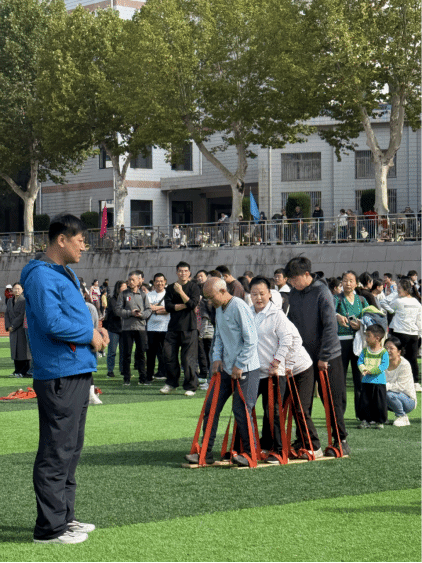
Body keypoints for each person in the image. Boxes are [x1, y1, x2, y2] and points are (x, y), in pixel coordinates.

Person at [20, 213, 109, 545]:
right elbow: (52, 323)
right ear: (61, 239)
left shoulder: (64, 272)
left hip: (75, 369)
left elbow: (73, 317)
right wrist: (90, 335)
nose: (84, 246)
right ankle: (49, 529)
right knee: (56, 450)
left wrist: (96, 332)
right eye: (81, 240)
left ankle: (64, 517)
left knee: (70, 449)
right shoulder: (41, 275)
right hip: (59, 372)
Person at [184, 277, 261, 467]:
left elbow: (251, 340)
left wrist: (240, 364)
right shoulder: (219, 308)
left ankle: (250, 454)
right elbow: (218, 336)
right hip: (226, 368)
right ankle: (206, 451)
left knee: (241, 410)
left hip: (246, 369)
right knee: (211, 407)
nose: (210, 302)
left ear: (223, 291)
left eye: (211, 297)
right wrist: (216, 358)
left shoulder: (239, 307)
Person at [285, 256, 350, 456]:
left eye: (294, 279)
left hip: (327, 356)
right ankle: (303, 439)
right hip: (303, 357)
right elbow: (291, 323)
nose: (292, 283)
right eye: (290, 280)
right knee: (301, 401)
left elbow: (330, 326)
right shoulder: (294, 293)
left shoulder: (322, 292)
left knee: (331, 399)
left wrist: (325, 356)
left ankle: (341, 441)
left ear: (307, 274)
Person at [249, 277, 319, 462]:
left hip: (299, 368)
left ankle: (313, 445)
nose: (258, 298)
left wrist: (284, 363)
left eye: (262, 293)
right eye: (254, 294)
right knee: (271, 408)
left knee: (299, 409)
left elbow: (294, 341)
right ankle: (268, 444)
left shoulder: (278, 315)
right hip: (277, 369)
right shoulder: (249, 314)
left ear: (270, 294)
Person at [160, 262, 201, 396]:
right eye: (180, 271)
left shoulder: (194, 287)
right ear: (177, 272)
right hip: (173, 327)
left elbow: (193, 304)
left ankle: (191, 386)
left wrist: (181, 292)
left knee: (188, 359)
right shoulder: (170, 287)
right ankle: (171, 383)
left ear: (189, 273)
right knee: (168, 355)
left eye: (185, 271)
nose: (183, 273)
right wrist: (186, 305)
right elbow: (168, 307)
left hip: (189, 327)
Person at [335, 271, 369, 419]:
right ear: (341, 283)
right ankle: (339, 414)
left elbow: (370, 315)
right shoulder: (336, 298)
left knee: (359, 378)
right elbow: (327, 312)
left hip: (359, 342)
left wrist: (361, 323)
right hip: (341, 342)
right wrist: (337, 316)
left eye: (351, 280)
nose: (348, 283)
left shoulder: (362, 300)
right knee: (340, 379)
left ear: (356, 283)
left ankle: (361, 414)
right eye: (345, 280)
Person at [116, 271, 152, 386]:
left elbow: (149, 309)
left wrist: (142, 315)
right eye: (129, 280)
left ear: (138, 281)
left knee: (141, 354)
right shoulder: (123, 294)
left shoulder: (143, 294)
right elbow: (118, 310)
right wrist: (130, 313)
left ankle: (143, 378)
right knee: (126, 354)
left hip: (140, 327)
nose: (131, 282)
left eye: (133, 280)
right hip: (127, 328)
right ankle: (126, 379)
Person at [389, 278, 422, 392]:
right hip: (413, 334)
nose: (397, 290)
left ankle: (397, 380)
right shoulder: (417, 302)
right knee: (413, 359)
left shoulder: (398, 301)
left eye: (399, 288)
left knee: (398, 357)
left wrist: (395, 296)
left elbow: (390, 307)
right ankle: (415, 382)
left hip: (400, 332)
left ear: (406, 289)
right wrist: (419, 333)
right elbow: (419, 320)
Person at [357, 324, 389, 429]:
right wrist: (364, 370)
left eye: (368, 336)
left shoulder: (384, 352)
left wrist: (371, 371)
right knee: (365, 402)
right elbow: (360, 362)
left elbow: (384, 365)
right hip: (366, 381)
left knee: (379, 402)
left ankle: (380, 421)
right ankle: (365, 420)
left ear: (377, 338)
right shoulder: (365, 351)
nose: (366, 338)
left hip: (379, 382)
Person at [385, 336, 417, 426]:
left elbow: (400, 387)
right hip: (388, 396)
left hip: (407, 400)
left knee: (387, 394)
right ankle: (381, 417)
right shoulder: (382, 363)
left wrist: (384, 386)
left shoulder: (404, 365)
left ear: (399, 351)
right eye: (386, 348)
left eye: (391, 348)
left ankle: (402, 416)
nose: (388, 351)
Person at [146, 273, 170, 382]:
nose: (159, 283)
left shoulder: (169, 294)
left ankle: (163, 372)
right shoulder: (149, 295)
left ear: (165, 282)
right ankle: (149, 375)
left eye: (161, 281)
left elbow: (168, 309)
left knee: (165, 353)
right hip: (151, 328)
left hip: (165, 327)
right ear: (154, 282)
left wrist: (154, 308)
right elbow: (147, 308)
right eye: (157, 281)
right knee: (150, 353)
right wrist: (161, 308)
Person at [5, 282, 31, 378]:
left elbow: (22, 315)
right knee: (14, 350)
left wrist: (13, 325)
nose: (16, 290)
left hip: (20, 328)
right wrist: (8, 326)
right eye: (15, 288)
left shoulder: (24, 301)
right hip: (12, 330)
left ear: (22, 290)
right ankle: (17, 369)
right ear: (12, 290)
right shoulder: (9, 301)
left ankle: (24, 370)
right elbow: (7, 314)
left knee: (22, 350)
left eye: (18, 289)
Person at [103, 280, 127, 378]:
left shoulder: (127, 299)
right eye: (123, 287)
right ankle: (110, 370)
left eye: (126, 287)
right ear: (118, 288)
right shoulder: (112, 300)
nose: (125, 289)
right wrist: (128, 313)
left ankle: (122, 369)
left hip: (124, 329)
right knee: (112, 351)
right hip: (114, 329)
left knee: (123, 351)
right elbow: (117, 312)